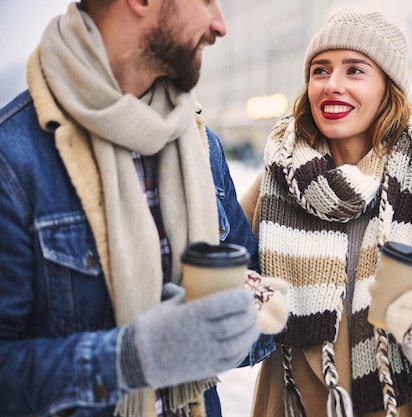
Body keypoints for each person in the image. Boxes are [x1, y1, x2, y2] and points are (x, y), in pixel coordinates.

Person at [0, 1, 286, 416]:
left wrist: (231, 325)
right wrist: (132, 357)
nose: (219, 25)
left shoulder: (200, 145)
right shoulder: (13, 159)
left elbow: (258, 310)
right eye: (205, 1)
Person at [239, 8, 412, 417]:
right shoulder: (275, 186)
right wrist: (245, 304)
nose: (332, 85)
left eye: (355, 71)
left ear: (388, 87)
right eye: (320, 70)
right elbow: (221, 299)